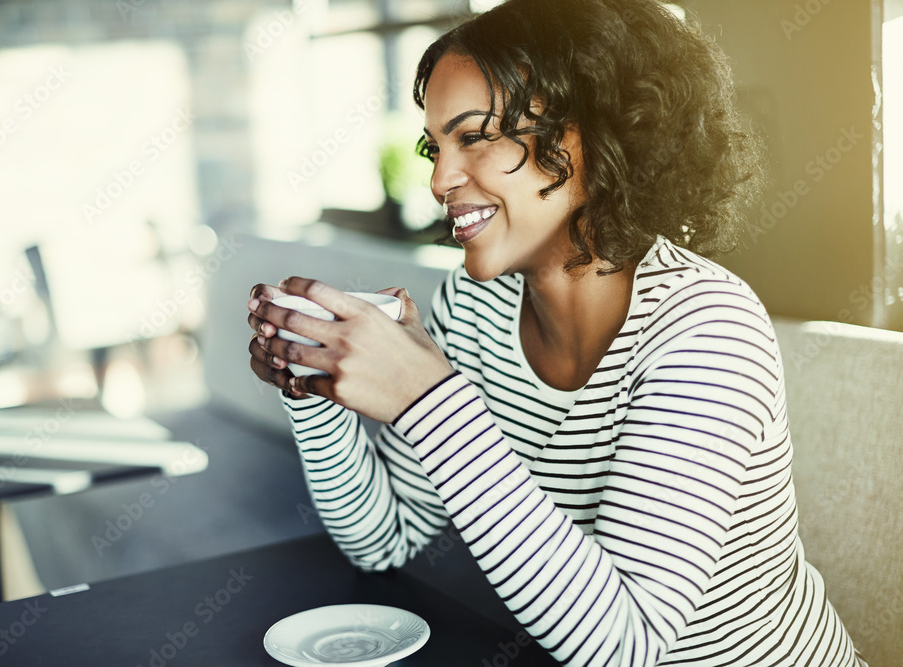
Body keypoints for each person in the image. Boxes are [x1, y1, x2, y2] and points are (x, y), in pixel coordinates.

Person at [247, 0, 866, 664]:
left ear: (587, 136)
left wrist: (427, 398)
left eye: (474, 136)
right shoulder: (475, 308)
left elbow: (624, 644)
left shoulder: (707, 326)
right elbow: (383, 540)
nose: (438, 178)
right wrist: (312, 379)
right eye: (436, 145)